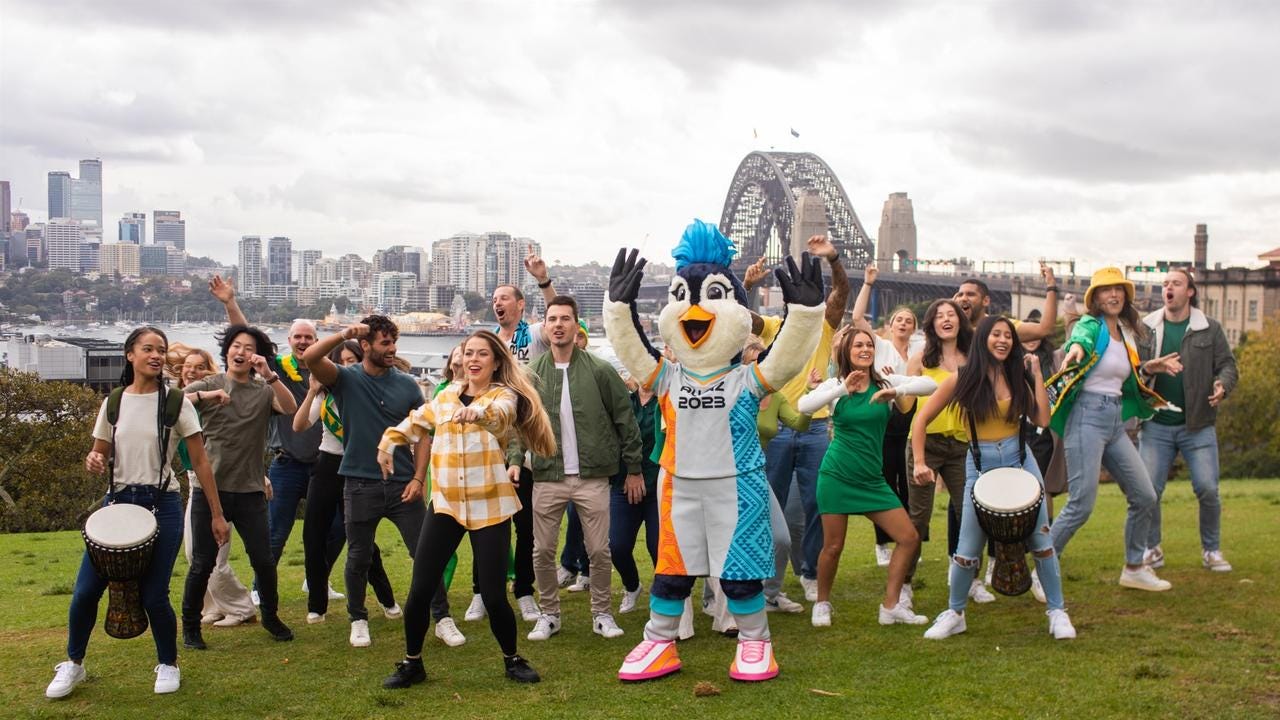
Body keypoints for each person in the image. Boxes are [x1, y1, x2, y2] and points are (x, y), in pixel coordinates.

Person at [47, 327, 230, 699]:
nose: (156, 355)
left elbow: (201, 462)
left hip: (161, 504)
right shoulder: (113, 401)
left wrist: (216, 514)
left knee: (153, 596)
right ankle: (74, 663)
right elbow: (99, 452)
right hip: (117, 504)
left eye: (161, 350)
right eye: (148, 349)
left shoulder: (177, 402)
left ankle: (168, 663)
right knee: (84, 592)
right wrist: (94, 459)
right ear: (130, 354)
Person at [379, 330, 558, 688]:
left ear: (495, 362)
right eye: (468, 353)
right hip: (445, 504)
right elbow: (416, 422)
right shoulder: (445, 397)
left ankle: (513, 659)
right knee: (420, 589)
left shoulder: (502, 396)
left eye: (481, 354)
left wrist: (478, 412)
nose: (473, 359)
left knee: (493, 595)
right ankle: (412, 663)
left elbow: (500, 416)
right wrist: (389, 441)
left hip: (489, 504)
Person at [302, 315, 463, 648]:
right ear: (365, 346)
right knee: (359, 556)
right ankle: (358, 619)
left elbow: (421, 436)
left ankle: (443, 619)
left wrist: (420, 478)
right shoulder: (344, 379)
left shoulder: (407, 384)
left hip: (405, 484)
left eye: (394, 343)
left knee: (425, 554)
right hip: (360, 484)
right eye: (385, 343)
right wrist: (342, 334)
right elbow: (311, 358)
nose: (392, 349)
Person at [914, 317, 1075, 640]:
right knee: (966, 549)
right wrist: (920, 462)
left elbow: (1042, 418)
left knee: (1042, 543)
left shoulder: (1017, 377)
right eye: (996, 335)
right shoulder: (961, 379)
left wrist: (1038, 375)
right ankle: (955, 612)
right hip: (980, 465)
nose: (1003, 341)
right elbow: (921, 420)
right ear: (983, 339)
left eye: (1008, 336)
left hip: (1021, 463)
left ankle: (1057, 612)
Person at [514, 295, 643, 643]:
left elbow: (625, 420)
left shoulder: (601, 371)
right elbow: (519, 425)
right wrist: (514, 461)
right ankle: (549, 614)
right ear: (545, 325)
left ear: (576, 325)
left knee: (600, 550)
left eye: (565, 319)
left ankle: (602, 613)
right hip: (547, 476)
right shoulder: (531, 375)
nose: (558, 325)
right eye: (552, 319)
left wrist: (633, 468)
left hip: (592, 477)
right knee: (541, 551)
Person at [208, 276, 344, 605]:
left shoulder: (329, 371)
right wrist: (230, 303)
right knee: (276, 531)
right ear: (289, 340)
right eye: (297, 336)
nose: (302, 341)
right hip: (288, 464)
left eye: (309, 337)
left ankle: (318, 581)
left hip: (326, 464)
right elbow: (248, 342)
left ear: (317, 340)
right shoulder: (278, 368)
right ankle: (259, 588)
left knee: (338, 527)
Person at [1049, 267, 1182, 591]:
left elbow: (1125, 373)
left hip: (1115, 421)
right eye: (1106, 290)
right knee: (1081, 504)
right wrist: (1075, 349)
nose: (1113, 295)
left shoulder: (1124, 332)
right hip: (1087, 417)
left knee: (1144, 495)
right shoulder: (1090, 324)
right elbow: (1079, 341)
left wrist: (1151, 366)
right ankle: (1044, 566)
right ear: (1095, 297)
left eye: (1118, 290)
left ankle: (1134, 567)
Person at [799, 327, 937, 628]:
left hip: (871, 480)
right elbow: (804, 406)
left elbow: (930, 385)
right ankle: (822, 602)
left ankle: (891, 606)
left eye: (869, 345)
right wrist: (840, 389)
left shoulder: (885, 381)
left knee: (909, 537)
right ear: (846, 351)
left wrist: (897, 391)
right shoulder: (836, 384)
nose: (865, 349)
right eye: (858, 345)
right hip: (837, 475)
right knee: (833, 547)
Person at [181, 325, 298, 650]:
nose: (241, 351)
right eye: (236, 345)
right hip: (212, 490)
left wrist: (271, 375)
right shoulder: (210, 384)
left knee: (262, 559)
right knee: (203, 561)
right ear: (227, 350)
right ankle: (190, 626)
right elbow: (173, 402)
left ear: (255, 355)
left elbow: (288, 408)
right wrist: (206, 396)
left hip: (250, 492)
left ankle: (271, 617)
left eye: (248, 347)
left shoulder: (263, 391)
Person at [750, 235, 851, 603]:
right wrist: (746, 286)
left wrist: (833, 260)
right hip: (775, 428)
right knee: (769, 504)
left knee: (816, 503)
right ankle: (767, 584)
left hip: (814, 428)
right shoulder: (774, 327)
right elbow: (736, 319)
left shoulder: (824, 325)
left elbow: (841, 290)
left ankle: (809, 572)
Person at [468, 250, 559, 624]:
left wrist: (543, 280)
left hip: (525, 445)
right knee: (483, 520)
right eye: (493, 299)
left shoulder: (534, 334)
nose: (497, 303)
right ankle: (480, 592)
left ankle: (524, 591)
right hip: (491, 441)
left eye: (503, 298)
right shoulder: (489, 343)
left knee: (524, 526)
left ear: (520, 305)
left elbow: (560, 320)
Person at [292, 340, 401, 624]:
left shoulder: (371, 394)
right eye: (342, 361)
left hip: (358, 469)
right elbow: (299, 425)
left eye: (353, 360)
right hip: (327, 465)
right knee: (313, 535)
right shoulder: (326, 396)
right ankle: (317, 604)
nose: (348, 366)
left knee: (361, 539)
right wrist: (312, 392)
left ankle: (386, 598)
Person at [1136, 268, 1237, 571]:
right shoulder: (1146, 328)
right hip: (1156, 424)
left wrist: (1222, 385)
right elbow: (1133, 371)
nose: (1169, 288)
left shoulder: (1209, 328)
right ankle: (1152, 549)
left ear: (1189, 291)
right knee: (1149, 492)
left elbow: (1228, 366)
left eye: (1176, 283)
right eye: (1165, 283)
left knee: (1207, 488)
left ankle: (1211, 551)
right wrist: (1148, 369)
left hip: (1198, 425)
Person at [905, 299, 992, 606]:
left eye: (951, 315)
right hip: (924, 443)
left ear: (960, 322)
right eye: (939, 316)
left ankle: (970, 579)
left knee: (972, 514)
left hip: (960, 446)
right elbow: (906, 407)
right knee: (918, 519)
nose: (946, 319)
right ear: (931, 324)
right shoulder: (920, 360)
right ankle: (904, 584)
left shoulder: (972, 359)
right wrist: (895, 387)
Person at [175, 347, 256, 627]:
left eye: (199, 367)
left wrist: (261, 475)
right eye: (187, 366)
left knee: (212, 555)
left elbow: (240, 441)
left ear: (209, 372)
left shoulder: (218, 402)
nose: (191, 371)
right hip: (192, 479)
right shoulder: (185, 401)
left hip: (219, 482)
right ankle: (212, 607)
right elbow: (164, 403)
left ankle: (241, 608)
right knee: (195, 554)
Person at [850, 263, 925, 567]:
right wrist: (868, 284)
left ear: (914, 328)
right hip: (884, 423)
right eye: (899, 319)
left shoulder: (919, 353)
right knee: (885, 483)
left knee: (908, 485)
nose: (904, 323)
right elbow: (857, 318)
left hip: (909, 424)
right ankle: (883, 543)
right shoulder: (879, 346)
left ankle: (907, 542)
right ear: (890, 326)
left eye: (909, 320)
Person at [611, 371, 662, 614]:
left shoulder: (666, 402)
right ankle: (632, 587)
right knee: (617, 546)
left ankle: (664, 596)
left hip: (657, 486)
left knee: (658, 547)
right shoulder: (624, 402)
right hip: (623, 484)